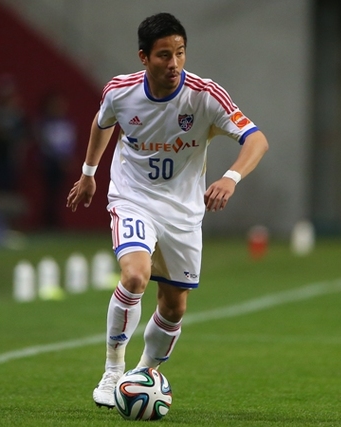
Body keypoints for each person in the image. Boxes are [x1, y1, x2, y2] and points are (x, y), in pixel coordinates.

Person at [66, 13, 269, 408]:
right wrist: (89, 173)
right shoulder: (120, 92)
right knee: (135, 276)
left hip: (182, 212)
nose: (174, 63)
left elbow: (256, 139)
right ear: (144, 57)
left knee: (174, 307)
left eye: (180, 53)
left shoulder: (205, 96)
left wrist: (231, 178)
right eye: (164, 55)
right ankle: (112, 371)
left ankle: (142, 375)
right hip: (133, 198)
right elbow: (102, 122)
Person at [37, 91, 77, 228]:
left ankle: (56, 219)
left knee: (60, 193)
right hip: (49, 163)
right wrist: (57, 158)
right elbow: (45, 144)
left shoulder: (67, 124)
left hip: (62, 163)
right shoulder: (44, 124)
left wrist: (67, 159)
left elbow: (69, 144)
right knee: (50, 193)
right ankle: (48, 220)